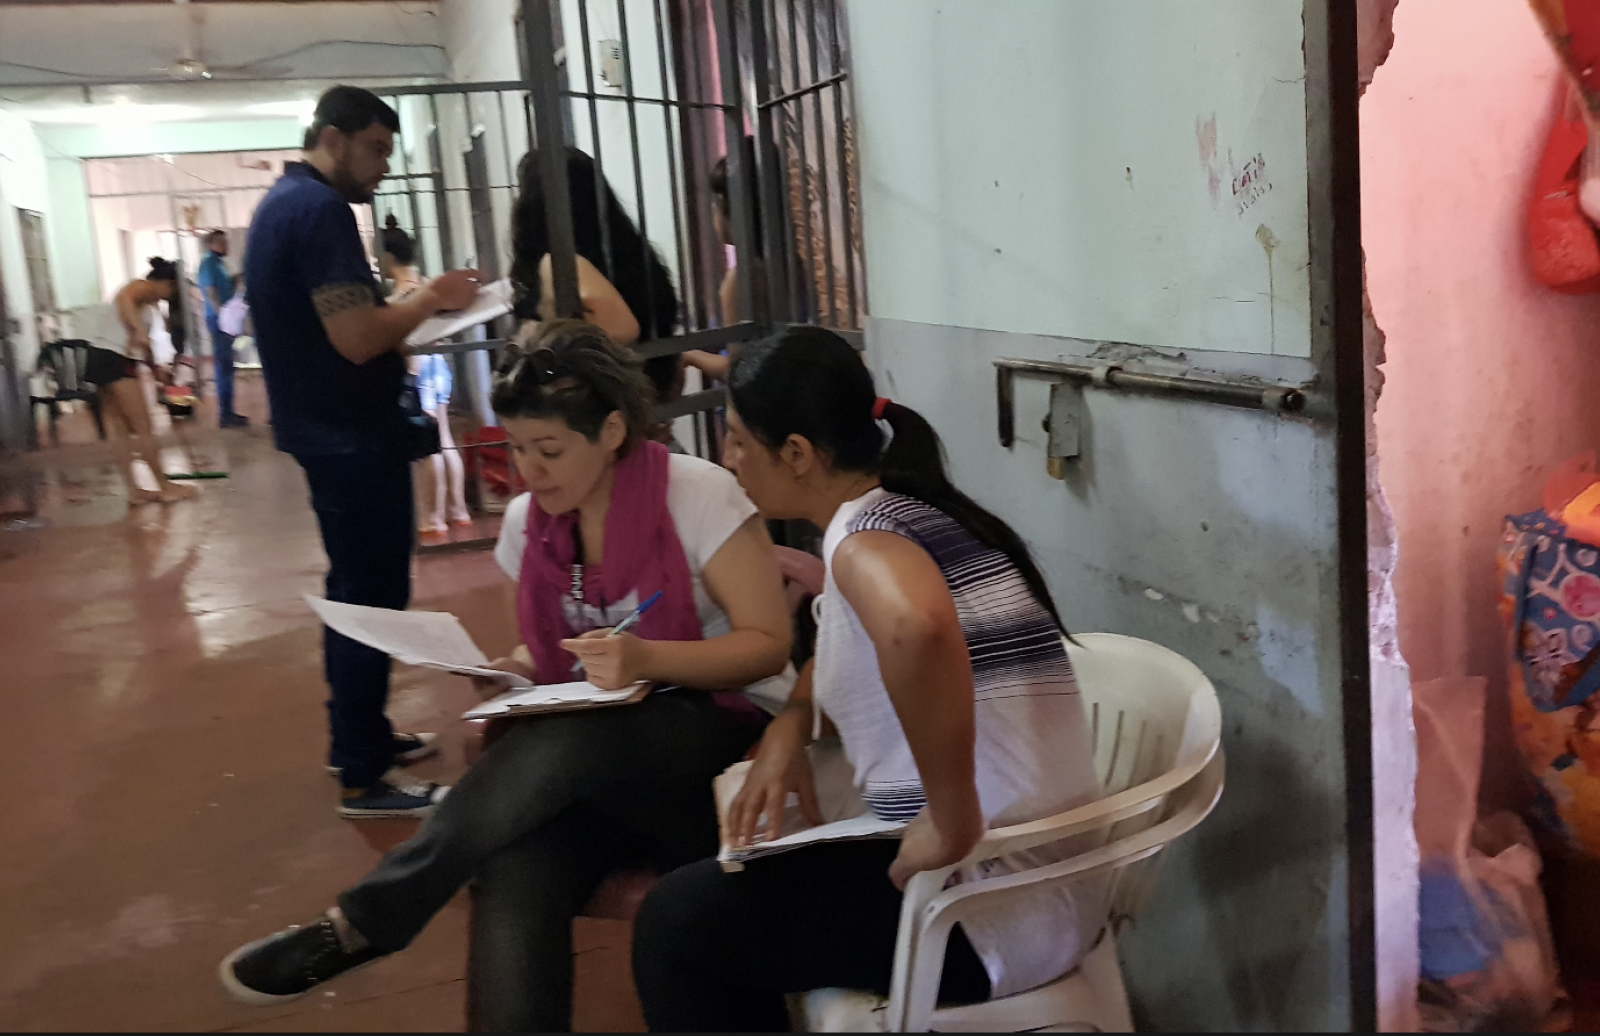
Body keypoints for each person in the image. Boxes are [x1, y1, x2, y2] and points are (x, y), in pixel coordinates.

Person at [219, 320, 795, 1030]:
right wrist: (513, 670)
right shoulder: (531, 524)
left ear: (612, 431)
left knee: (578, 737)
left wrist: (647, 660)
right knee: (515, 864)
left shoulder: (695, 494)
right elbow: (545, 648)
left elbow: (768, 647)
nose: (530, 470)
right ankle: (375, 924)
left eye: (549, 450)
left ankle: (370, 918)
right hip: (589, 768)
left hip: (718, 748)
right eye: (518, 448)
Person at [629, 326, 1107, 1031]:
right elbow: (852, 653)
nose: (728, 459)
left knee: (676, 926)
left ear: (797, 454)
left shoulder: (862, 542)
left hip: (989, 907)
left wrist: (951, 822)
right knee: (720, 893)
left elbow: (917, 627)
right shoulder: (911, 511)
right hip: (1041, 882)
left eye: (737, 439)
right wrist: (791, 726)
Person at [244, 84, 481, 818]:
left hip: (329, 431)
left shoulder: (284, 204)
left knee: (357, 588)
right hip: (348, 437)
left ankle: (362, 737)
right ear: (333, 138)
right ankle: (363, 774)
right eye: (375, 149)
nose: (382, 166)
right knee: (369, 596)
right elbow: (354, 338)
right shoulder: (318, 211)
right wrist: (431, 299)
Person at [510, 146, 684, 439]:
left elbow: (620, 329)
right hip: (648, 401)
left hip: (597, 416)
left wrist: (548, 337)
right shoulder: (633, 254)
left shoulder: (559, 264)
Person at [62, 259, 199, 504]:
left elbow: (142, 346)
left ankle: (133, 491)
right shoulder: (140, 286)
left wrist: (154, 368)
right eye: (172, 291)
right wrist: (139, 331)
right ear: (166, 284)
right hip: (116, 358)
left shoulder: (147, 303)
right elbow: (124, 299)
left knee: (119, 429)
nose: (169, 297)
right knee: (143, 426)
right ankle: (164, 486)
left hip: (99, 356)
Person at [379, 220, 472, 540]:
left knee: (426, 445)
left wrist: (408, 375)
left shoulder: (400, 298)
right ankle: (458, 510)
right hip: (439, 365)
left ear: (389, 258)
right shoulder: (431, 288)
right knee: (444, 438)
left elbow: (404, 340)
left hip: (417, 368)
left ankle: (433, 517)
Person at [682, 138, 765, 383]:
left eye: (715, 204)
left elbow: (740, 371)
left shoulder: (742, 280)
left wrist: (689, 356)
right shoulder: (792, 266)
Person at [198, 229, 247, 428]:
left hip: (223, 319)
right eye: (222, 242)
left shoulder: (219, 264)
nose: (226, 246)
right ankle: (225, 415)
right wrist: (223, 318)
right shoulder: (209, 264)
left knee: (227, 365)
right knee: (224, 365)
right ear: (211, 245)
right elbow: (211, 292)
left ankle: (229, 412)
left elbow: (226, 287)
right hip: (218, 320)